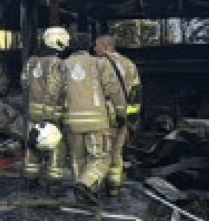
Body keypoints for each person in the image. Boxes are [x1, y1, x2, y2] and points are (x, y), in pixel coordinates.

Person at [60, 32, 126, 206]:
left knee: (77, 158)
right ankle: (86, 184)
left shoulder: (62, 65)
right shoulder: (99, 63)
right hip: (97, 122)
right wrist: (121, 113)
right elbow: (113, 90)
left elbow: (54, 93)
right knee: (101, 158)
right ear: (89, 46)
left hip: (71, 122)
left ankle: (85, 194)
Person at [21, 26, 69, 195]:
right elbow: (55, 89)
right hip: (52, 115)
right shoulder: (58, 64)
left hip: (32, 112)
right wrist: (50, 114)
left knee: (33, 144)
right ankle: (54, 184)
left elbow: (25, 84)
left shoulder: (31, 62)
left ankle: (30, 180)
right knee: (57, 147)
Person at [94, 34, 141, 197]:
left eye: (97, 46)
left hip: (104, 114)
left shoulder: (98, 64)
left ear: (105, 46)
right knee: (117, 152)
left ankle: (94, 186)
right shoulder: (130, 64)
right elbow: (136, 92)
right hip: (122, 115)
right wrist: (131, 117)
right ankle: (114, 188)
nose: (94, 49)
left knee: (99, 153)